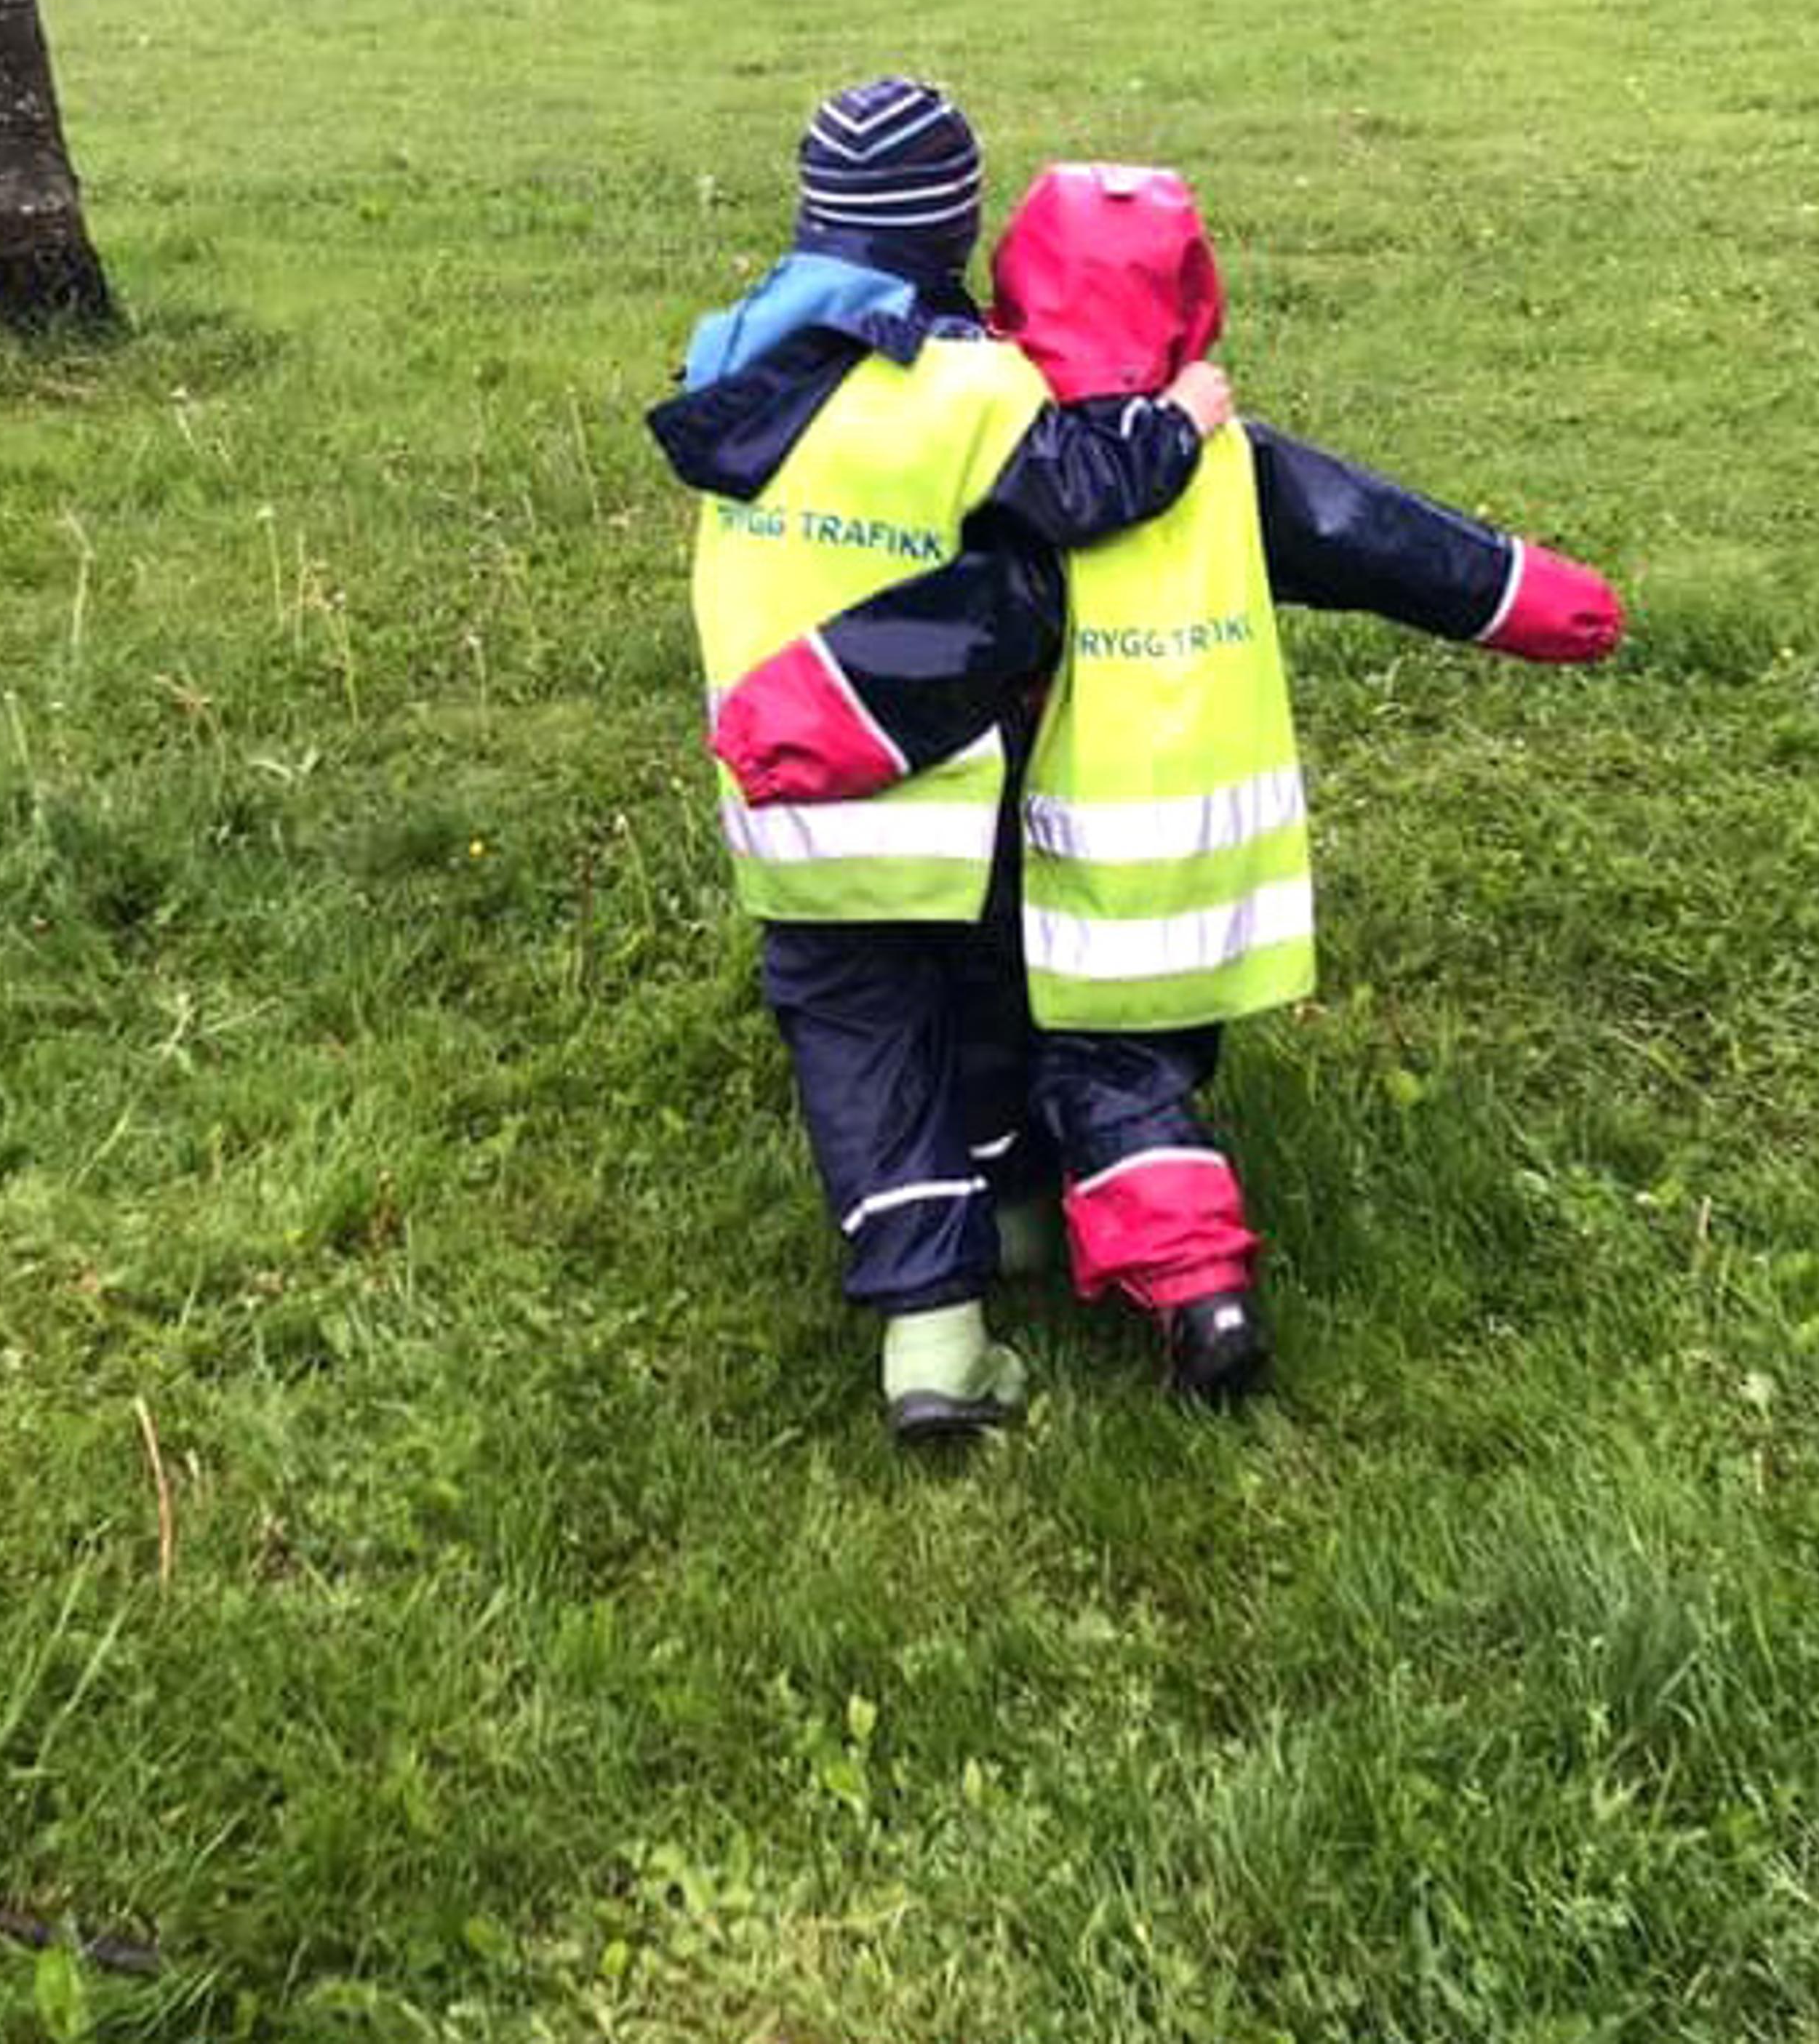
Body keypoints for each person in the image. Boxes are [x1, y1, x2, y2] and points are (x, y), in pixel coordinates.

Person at [709, 162, 1624, 1402]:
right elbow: (1388, 539)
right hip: (1219, 872)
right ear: (1198, 307)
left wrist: (787, 715)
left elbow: (946, 639)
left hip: (1072, 876)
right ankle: (1168, 1275)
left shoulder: (1039, 493)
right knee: (1145, 1070)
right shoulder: (1243, 468)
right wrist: (1538, 596)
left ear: (1020, 308)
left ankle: (1156, 1277)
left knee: (1075, 1062)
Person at [648, 87, 1234, 1444]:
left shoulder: (730, 358)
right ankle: (1020, 1222)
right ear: (951, 223)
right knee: (979, 1010)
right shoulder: (968, 383)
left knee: (860, 1053)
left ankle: (935, 1341)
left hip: (787, 803)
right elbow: (1079, 493)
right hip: (936, 801)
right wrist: (1181, 418)